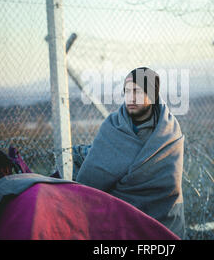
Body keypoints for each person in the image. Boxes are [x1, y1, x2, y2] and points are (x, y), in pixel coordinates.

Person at [76, 67, 186, 238]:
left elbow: (168, 186)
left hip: (163, 225)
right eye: (127, 91)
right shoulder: (112, 127)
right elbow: (88, 181)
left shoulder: (169, 132)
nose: (131, 98)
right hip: (117, 224)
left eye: (137, 91)